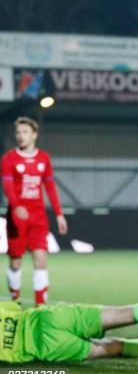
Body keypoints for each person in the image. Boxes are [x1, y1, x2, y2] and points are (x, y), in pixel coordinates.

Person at [0, 300, 138, 363]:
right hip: (50, 318)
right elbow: (14, 307)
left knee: (114, 348)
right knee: (128, 313)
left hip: (48, 347)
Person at [1, 117, 68, 305]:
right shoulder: (9, 159)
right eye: (18, 132)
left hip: (38, 217)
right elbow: (7, 186)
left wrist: (59, 214)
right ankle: (15, 303)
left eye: (25, 132)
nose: (20, 136)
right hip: (17, 217)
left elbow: (51, 188)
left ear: (34, 135)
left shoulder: (44, 158)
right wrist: (17, 205)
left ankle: (40, 307)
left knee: (41, 260)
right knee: (15, 263)